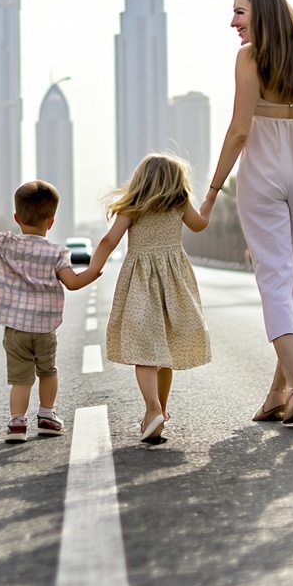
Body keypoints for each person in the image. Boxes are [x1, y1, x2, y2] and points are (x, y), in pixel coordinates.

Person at [200, 0, 293, 426]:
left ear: (261, 12)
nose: (233, 22)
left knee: (275, 280)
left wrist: (211, 192)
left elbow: (240, 130)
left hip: (263, 170)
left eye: (239, 12)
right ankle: (276, 393)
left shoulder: (249, 59)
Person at [85, 154, 212, 444]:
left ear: (140, 180)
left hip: (141, 282)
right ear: (176, 181)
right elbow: (200, 224)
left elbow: (109, 241)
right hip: (174, 280)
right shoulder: (179, 203)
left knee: (145, 350)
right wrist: (212, 196)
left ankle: (152, 409)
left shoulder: (134, 206)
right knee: (164, 348)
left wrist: (93, 269)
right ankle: (161, 411)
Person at [0, 181, 102, 443]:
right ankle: (46, 416)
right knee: (48, 371)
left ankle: (17, 424)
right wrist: (93, 272)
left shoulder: (7, 244)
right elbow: (73, 283)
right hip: (44, 328)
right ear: (51, 222)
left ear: (17, 218)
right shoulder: (56, 253)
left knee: (20, 379)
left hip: (15, 328)